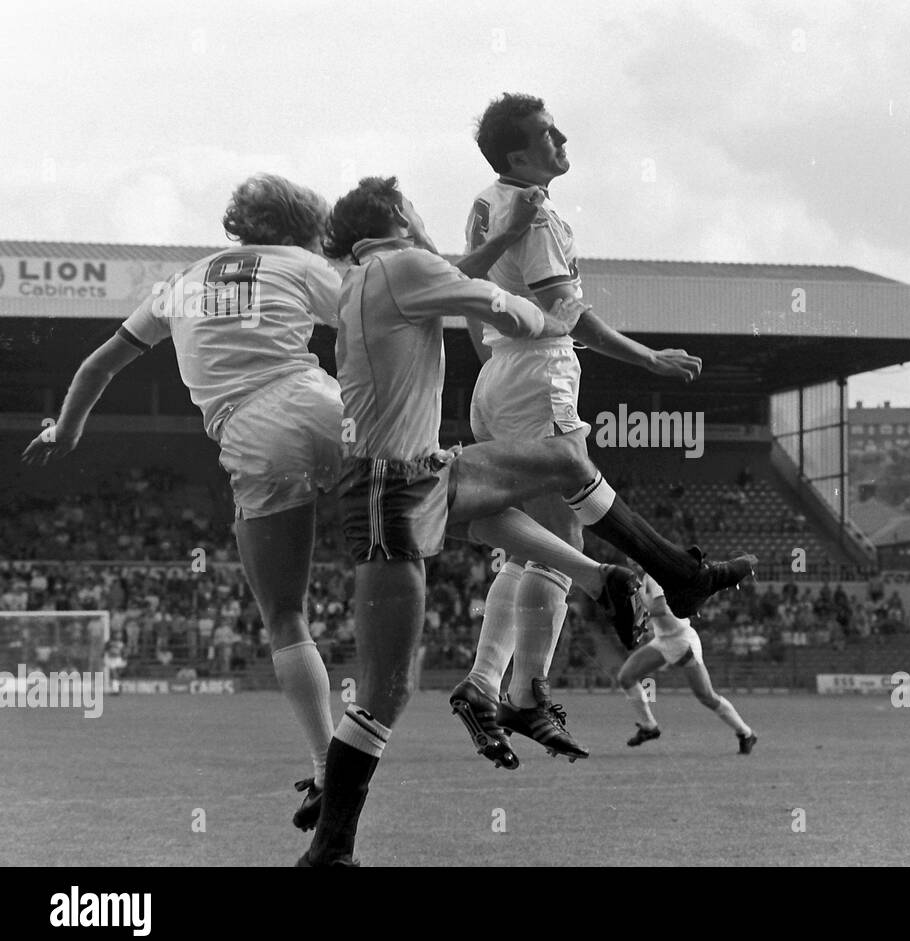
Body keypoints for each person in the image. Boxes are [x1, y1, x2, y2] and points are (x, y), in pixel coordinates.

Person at [23, 172, 547, 834]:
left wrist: (66, 430)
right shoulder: (303, 265)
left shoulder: (178, 285)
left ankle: (327, 766)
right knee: (440, 497)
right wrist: (493, 248)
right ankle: (568, 562)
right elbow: (410, 297)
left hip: (252, 434)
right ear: (306, 225)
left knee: (285, 616)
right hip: (323, 407)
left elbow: (100, 364)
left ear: (238, 224)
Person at [298, 178, 754, 866]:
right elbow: (503, 307)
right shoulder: (405, 265)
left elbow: (465, 275)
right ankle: (329, 843)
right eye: (414, 207)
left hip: (409, 476)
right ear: (396, 215)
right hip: (398, 488)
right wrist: (554, 321)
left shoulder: (365, 276)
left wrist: (505, 242)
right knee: (386, 689)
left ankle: (612, 581)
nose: (424, 216)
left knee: (522, 501)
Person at [460, 92, 709, 759]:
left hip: (502, 376)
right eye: (548, 133)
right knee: (563, 536)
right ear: (519, 153)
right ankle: (523, 694)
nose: (562, 138)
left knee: (532, 544)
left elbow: (484, 303)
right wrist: (647, 357)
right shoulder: (534, 216)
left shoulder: (488, 201)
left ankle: (489, 685)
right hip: (538, 375)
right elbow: (566, 314)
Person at [617, 571, 757, 755]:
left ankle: (745, 733)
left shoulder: (654, 577)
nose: (632, 560)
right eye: (629, 557)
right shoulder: (642, 579)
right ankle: (649, 726)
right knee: (626, 677)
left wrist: (635, 615)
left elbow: (661, 608)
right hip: (663, 640)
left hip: (682, 642)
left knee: (706, 695)